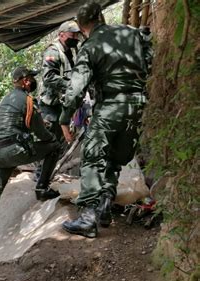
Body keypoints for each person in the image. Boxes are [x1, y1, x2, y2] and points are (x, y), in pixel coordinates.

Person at [59, 2, 152, 238]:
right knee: (114, 159)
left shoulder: (90, 47)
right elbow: (149, 58)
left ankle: (88, 217)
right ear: (101, 17)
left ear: (81, 26)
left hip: (110, 105)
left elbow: (77, 87)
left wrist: (64, 117)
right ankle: (105, 208)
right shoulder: (131, 33)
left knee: (92, 156)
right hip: (137, 105)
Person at [0, 66, 61, 253]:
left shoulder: (5, 99)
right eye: (32, 79)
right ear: (26, 81)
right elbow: (41, 133)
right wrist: (51, 137)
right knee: (54, 147)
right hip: (16, 151)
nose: (34, 82)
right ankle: (42, 188)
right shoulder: (27, 100)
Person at [39, 20, 81, 141]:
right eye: (72, 35)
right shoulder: (53, 51)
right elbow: (48, 77)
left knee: (61, 140)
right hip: (50, 107)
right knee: (52, 140)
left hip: (61, 103)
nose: (75, 38)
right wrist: (71, 85)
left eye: (76, 35)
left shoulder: (67, 51)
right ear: (61, 35)